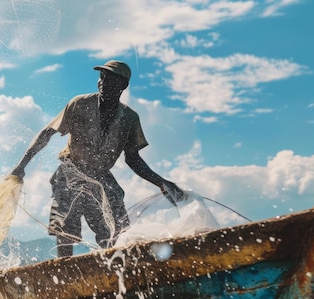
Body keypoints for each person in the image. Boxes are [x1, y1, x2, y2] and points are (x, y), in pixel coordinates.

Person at [11, 60, 185, 257]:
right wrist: (21, 165)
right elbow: (47, 133)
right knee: (66, 227)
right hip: (71, 171)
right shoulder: (79, 104)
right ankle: (64, 273)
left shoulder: (129, 118)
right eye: (102, 78)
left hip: (101, 176)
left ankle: (117, 270)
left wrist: (161, 183)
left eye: (111, 79)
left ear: (123, 86)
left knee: (116, 228)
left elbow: (133, 159)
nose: (103, 82)